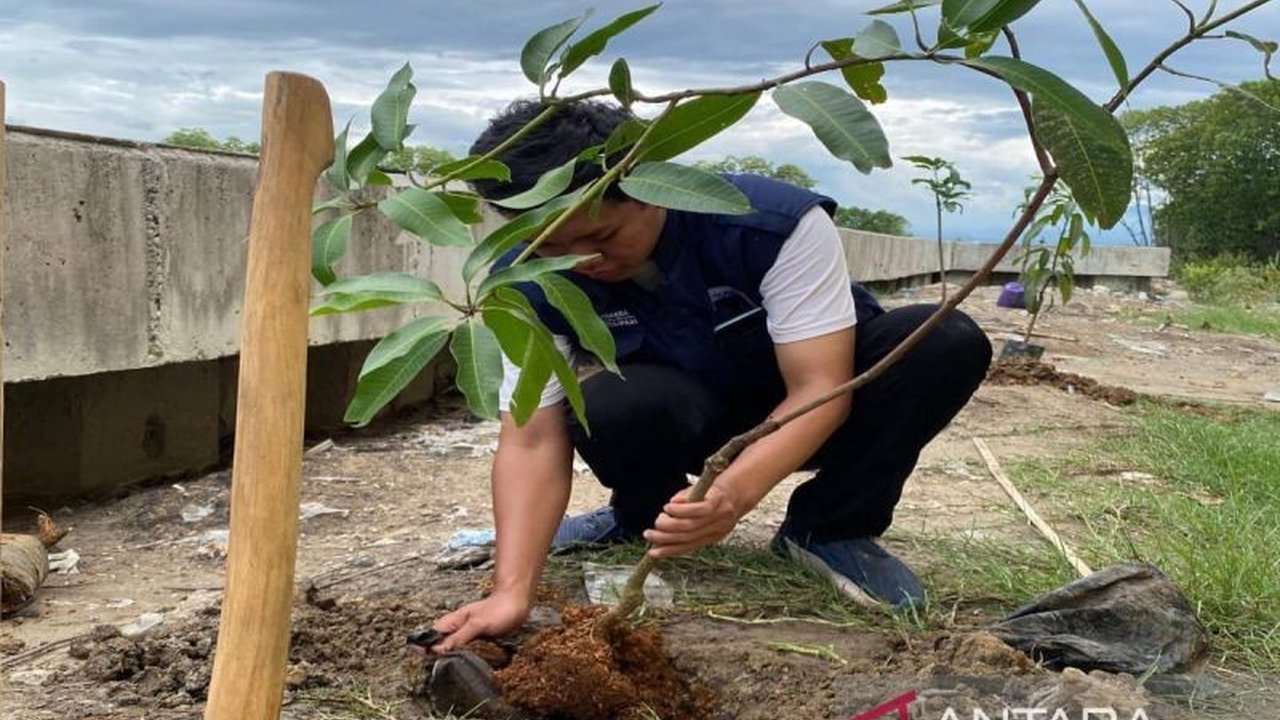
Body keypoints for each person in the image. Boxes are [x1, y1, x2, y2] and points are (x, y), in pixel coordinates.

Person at [430, 99, 991, 652]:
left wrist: (731, 496)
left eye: (600, 239)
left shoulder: (767, 224)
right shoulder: (523, 281)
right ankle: (645, 518)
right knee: (610, 402)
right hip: (688, 411)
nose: (579, 262)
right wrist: (512, 591)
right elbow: (530, 435)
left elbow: (820, 388)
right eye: (551, 245)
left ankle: (829, 529)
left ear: (651, 188)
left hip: (817, 407)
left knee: (941, 340)